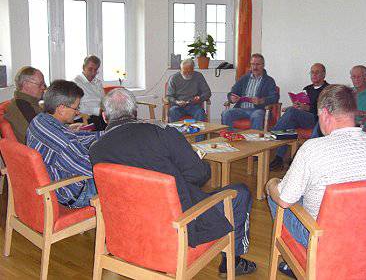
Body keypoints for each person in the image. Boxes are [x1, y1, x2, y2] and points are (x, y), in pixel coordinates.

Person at [89, 88, 256, 277]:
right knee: (240, 192)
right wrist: (178, 177)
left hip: (127, 230)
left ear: (104, 116)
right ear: (135, 112)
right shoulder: (162, 132)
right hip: (178, 226)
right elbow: (200, 174)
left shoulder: (96, 150)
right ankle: (233, 262)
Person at [266, 84, 366, 278]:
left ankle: (302, 262)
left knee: (277, 193)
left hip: (324, 239)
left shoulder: (312, 149)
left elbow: (285, 200)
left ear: (325, 113)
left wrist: (271, 184)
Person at [26, 80, 102, 208]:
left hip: (54, 182)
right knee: (123, 181)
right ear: (61, 108)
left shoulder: (39, 120)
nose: (78, 112)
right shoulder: (64, 144)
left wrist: (106, 134)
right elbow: (93, 168)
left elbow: (75, 137)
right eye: (76, 107)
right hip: (72, 194)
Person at [269, 63, 329, 168]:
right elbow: (303, 103)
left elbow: (325, 110)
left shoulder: (328, 90)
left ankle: (272, 133)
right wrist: (296, 106)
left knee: (292, 113)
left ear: (323, 74)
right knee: (289, 124)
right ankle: (279, 158)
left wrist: (307, 108)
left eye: (317, 72)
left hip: (316, 120)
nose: (314, 75)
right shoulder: (308, 89)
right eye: (312, 72)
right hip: (303, 117)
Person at [310, 65, 366, 138]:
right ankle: (316, 144)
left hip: (360, 125)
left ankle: (313, 145)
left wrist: (360, 113)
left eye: (359, 77)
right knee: (324, 119)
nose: (356, 79)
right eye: (353, 77)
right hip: (344, 122)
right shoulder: (348, 92)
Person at [221, 53, 279, 130]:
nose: (255, 67)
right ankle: (230, 138)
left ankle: (254, 140)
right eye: (253, 64)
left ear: (263, 65)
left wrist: (261, 101)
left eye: (257, 64)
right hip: (241, 109)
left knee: (257, 115)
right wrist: (231, 98)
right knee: (226, 113)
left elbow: (275, 97)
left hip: (258, 109)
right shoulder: (244, 78)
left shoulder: (269, 81)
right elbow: (232, 92)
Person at [4, 66, 46, 143]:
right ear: (26, 84)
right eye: (40, 84)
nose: (43, 87)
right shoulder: (23, 106)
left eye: (44, 84)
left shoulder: (29, 103)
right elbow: (41, 136)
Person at [166, 58, 211, 122]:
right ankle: (174, 131)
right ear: (181, 69)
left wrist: (200, 98)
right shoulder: (174, 78)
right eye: (184, 71)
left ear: (193, 69)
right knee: (172, 112)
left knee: (200, 113)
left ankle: (201, 132)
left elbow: (207, 92)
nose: (186, 73)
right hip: (178, 106)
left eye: (189, 71)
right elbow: (169, 96)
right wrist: (176, 101)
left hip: (194, 105)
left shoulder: (199, 76)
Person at [73, 55, 106, 130]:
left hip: (101, 115)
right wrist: (98, 110)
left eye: (96, 70)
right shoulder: (76, 83)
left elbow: (104, 100)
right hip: (86, 117)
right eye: (90, 69)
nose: (93, 73)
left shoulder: (98, 82)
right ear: (83, 67)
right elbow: (77, 108)